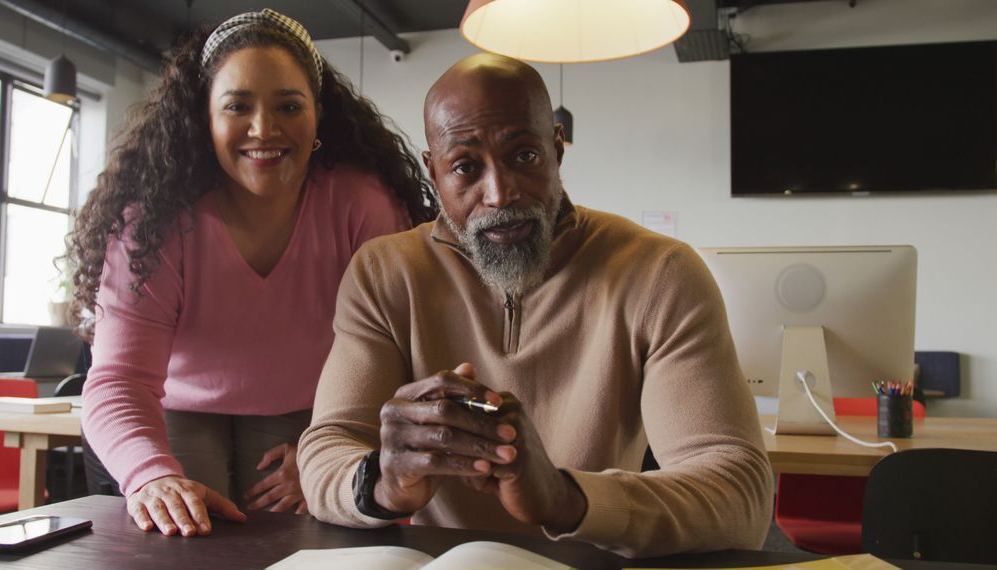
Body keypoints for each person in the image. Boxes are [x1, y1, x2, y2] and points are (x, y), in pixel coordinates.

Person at [297, 53, 773, 558]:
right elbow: (328, 449)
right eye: (465, 167)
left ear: (557, 149)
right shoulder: (385, 274)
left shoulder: (660, 273)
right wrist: (384, 482)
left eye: (523, 156)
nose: (500, 194)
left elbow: (740, 497)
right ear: (432, 172)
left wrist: (565, 497)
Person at [68, 9, 437, 538]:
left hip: (314, 407)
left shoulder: (362, 205)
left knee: (299, 537)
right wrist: (151, 477)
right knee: (185, 530)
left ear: (317, 117)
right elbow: (118, 381)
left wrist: (329, 452)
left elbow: (401, 349)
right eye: (237, 106)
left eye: (288, 105)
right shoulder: (153, 222)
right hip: (178, 403)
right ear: (206, 119)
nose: (264, 129)